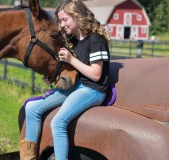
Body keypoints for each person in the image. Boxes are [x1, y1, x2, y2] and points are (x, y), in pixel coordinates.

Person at [19, 0, 111, 159]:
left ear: (77, 16)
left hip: (92, 90)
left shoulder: (96, 40)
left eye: (64, 20)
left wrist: (71, 59)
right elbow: (73, 69)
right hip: (77, 86)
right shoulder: (75, 41)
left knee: (58, 122)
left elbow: (96, 74)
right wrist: (54, 77)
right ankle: (28, 157)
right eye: (60, 21)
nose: (61, 25)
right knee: (32, 108)